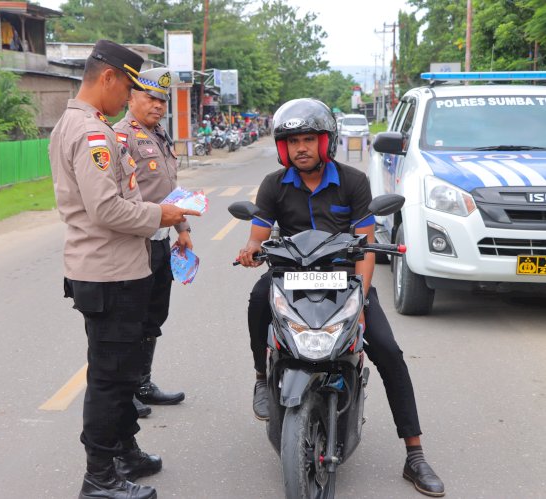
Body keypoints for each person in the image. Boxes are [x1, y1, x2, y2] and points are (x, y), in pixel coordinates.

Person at [237, 98, 445, 497]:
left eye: (309, 139)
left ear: (325, 141)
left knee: (387, 349)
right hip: (290, 279)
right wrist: (250, 250)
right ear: (283, 146)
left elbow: (367, 246)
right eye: (293, 140)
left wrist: (362, 303)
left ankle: (414, 454)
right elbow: (257, 235)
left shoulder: (352, 182)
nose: (301, 147)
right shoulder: (273, 185)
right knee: (257, 299)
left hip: (346, 281)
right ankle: (262, 378)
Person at [50, 39, 200, 499]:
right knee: (110, 378)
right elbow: (106, 210)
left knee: (124, 368)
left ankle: (125, 450)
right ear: (110, 78)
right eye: (130, 89)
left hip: (118, 270)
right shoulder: (93, 133)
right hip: (108, 272)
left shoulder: (86, 125)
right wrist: (163, 216)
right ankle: (100, 476)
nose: (130, 102)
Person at [114, 68, 191, 419]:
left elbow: (169, 190)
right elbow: (117, 197)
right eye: (151, 98)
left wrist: (183, 228)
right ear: (131, 98)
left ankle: (143, 383)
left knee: (154, 316)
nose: (158, 106)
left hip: (161, 241)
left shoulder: (159, 134)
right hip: (135, 243)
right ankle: (124, 390)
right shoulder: (120, 137)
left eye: (162, 100)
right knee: (130, 318)